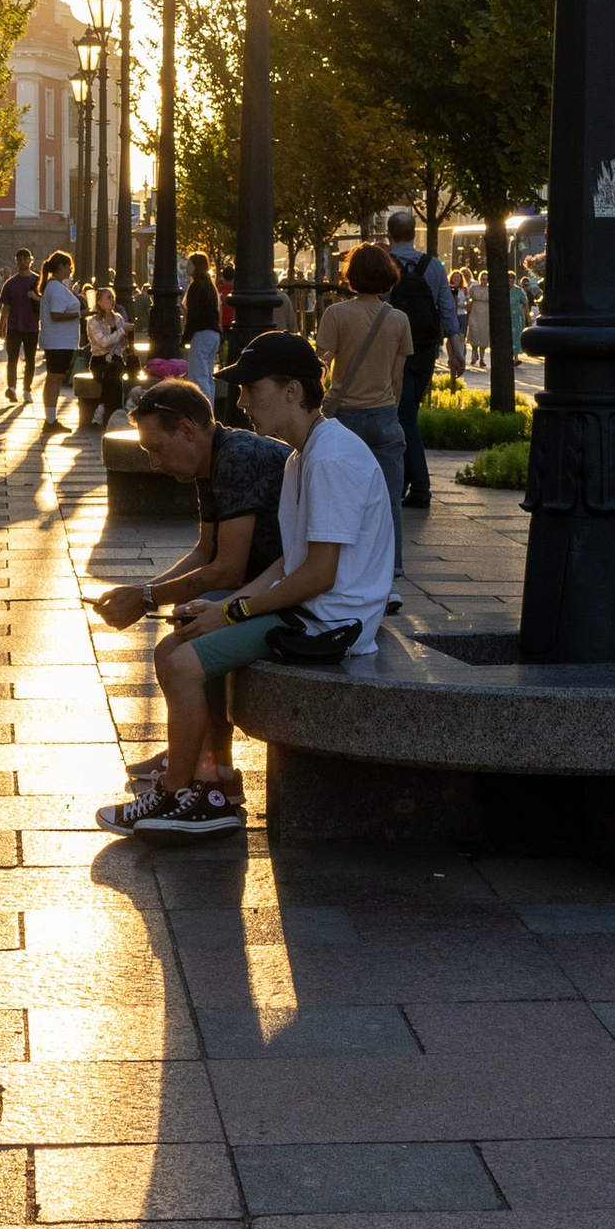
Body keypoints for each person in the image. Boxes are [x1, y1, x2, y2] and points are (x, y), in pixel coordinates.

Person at [137, 328, 397, 840]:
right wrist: (225, 604)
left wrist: (232, 612)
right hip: (309, 611)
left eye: (252, 389)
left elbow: (319, 575)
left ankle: (183, 795)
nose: (243, 401)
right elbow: (286, 561)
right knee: (179, 643)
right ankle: (213, 786)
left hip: (330, 624)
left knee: (182, 662)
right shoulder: (303, 456)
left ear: (293, 391)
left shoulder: (331, 458)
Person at [92, 372, 293, 826]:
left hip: (286, 594)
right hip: (268, 585)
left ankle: (182, 786)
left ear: (187, 430)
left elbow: (227, 570)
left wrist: (144, 598)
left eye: (156, 449)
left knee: (178, 648)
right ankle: (210, 768)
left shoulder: (238, 458)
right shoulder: (212, 458)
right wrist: (140, 593)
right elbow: (206, 551)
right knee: (185, 629)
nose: (155, 464)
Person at [315, 243, 412, 573]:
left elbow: (321, 366)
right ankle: (392, 567)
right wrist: (390, 408)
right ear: (387, 276)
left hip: (343, 419)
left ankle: (344, 567)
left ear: (351, 275)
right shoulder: (399, 319)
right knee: (389, 500)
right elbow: (397, 378)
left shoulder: (336, 314)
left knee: (340, 499)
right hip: (385, 416)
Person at [381, 206, 463, 515]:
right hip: (426, 349)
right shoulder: (433, 266)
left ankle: (421, 487)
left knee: (404, 418)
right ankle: (408, 483)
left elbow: (381, 309)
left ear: (389, 235)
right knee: (407, 414)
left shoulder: (386, 265)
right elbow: (446, 309)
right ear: (414, 234)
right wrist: (457, 349)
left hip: (395, 350)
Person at [38, 248, 85, 427]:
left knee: (53, 378)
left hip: (58, 340)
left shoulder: (54, 286)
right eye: (69, 267)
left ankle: (50, 417)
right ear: (61, 266)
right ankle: (50, 419)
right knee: (55, 379)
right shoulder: (56, 288)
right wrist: (80, 314)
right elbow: (56, 314)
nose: (70, 270)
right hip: (59, 341)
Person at [0, 248, 40, 401]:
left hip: (32, 327)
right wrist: (0, 330)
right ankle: (11, 388)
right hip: (14, 327)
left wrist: (35, 297)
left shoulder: (37, 281)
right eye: (19, 259)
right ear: (16, 261)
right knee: (12, 359)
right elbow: (5, 308)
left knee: (30, 360)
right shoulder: (10, 284)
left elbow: (45, 303)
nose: (22, 261)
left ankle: (27, 390)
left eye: (25, 259)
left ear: (30, 260)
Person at [85, 283, 132, 422]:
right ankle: (116, 413)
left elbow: (122, 345)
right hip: (99, 360)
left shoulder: (119, 318)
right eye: (109, 297)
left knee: (114, 370)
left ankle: (102, 407)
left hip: (116, 359)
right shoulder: (93, 322)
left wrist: (127, 338)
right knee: (113, 373)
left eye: (113, 297)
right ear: (99, 302)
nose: (112, 300)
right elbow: (104, 342)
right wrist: (122, 331)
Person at [181, 251, 221, 399]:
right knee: (208, 377)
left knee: (198, 377)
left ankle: (204, 414)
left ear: (196, 266)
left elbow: (193, 314)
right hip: (213, 334)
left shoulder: (196, 287)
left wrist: (185, 338)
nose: (187, 267)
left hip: (201, 334)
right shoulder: (210, 286)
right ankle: (210, 410)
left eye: (189, 264)